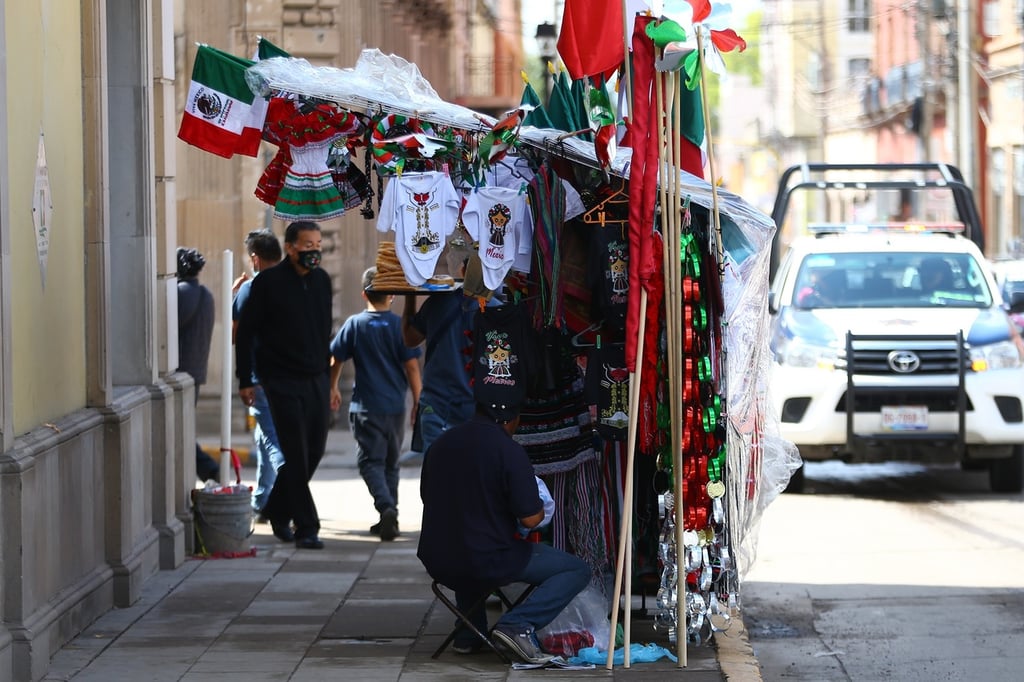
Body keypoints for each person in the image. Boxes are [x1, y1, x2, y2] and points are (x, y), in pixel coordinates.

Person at [417, 403, 590, 664]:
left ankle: (468, 634)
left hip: (438, 559)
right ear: (510, 419)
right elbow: (532, 517)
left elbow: (425, 497)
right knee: (575, 570)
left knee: (469, 545)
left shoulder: (441, 444)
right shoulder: (507, 449)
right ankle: (517, 624)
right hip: (485, 560)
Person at [235, 220, 333, 549]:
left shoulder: (321, 281)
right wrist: (245, 379)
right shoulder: (268, 284)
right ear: (290, 247)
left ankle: (277, 508)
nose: (314, 250)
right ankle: (307, 527)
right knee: (295, 452)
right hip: (280, 379)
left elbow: (324, 331)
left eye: (317, 244)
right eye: (307, 245)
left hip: (316, 377)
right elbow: (246, 333)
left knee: (315, 450)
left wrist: (330, 380)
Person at [329, 267, 422, 541]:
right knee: (391, 463)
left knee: (369, 462)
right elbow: (413, 368)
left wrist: (333, 386)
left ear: (363, 294)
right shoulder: (398, 326)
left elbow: (335, 358)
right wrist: (418, 401)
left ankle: (385, 508)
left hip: (366, 407)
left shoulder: (355, 324)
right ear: (392, 295)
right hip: (395, 407)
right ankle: (389, 515)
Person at [231, 229, 285, 521]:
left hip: (260, 378)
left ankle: (286, 493)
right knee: (264, 436)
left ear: (255, 258)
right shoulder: (294, 283)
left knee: (273, 441)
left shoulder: (252, 289)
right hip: (289, 376)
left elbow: (235, 334)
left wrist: (234, 295)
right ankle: (262, 498)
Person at [399, 287, 479, 463]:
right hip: (477, 409)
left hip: (437, 407)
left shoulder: (436, 304)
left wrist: (410, 296)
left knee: (437, 476)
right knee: (472, 476)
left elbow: (409, 339)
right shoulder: (492, 307)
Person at [176, 247, 219, 484]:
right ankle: (209, 471)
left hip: (179, 373)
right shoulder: (205, 294)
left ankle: (210, 470)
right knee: (184, 430)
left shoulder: (180, 293)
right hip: (196, 373)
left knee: (180, 433)